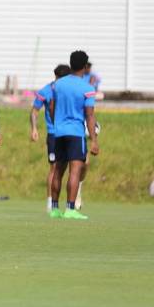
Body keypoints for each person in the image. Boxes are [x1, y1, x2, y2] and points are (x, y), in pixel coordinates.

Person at [49, 50, 100, 220]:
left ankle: (54, 209)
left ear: (71, 64)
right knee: (75, 171)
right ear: (85, 67)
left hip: (59, 132)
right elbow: (90, 115)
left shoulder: (58, 84)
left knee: (57, 170)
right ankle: (70, 209)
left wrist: (57, 123)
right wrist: (94, 140)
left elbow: (52, 107)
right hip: (76, 133)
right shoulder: (87, 88)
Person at [30, 64, 72, 215]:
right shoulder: (46, 91)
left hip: (69, 133)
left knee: (69, 168)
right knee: (54, 168)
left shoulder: (70, 91)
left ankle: (70, 203)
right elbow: (34, 111)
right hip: (54, 134)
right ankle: (50, 202)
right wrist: (34, 128)